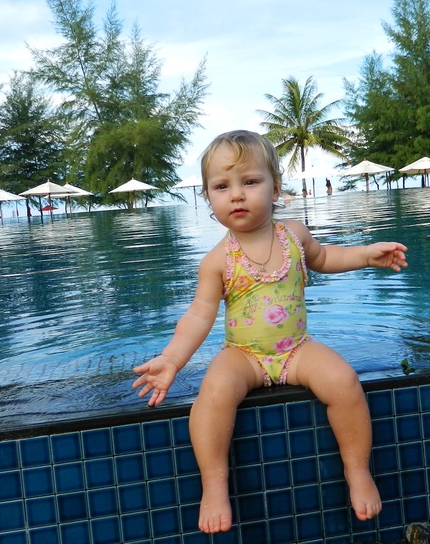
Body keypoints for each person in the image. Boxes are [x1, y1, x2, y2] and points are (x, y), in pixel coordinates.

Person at [133, 130, 408, 534]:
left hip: (297, 349)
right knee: (213, 395)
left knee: (344, 381)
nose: (237, 195)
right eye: (222, 187)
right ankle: (214, 485)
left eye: (250, 181)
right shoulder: (216, 261)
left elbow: (326, 257)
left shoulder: (294, 235)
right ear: (208, 198)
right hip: (243, 355)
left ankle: (357, 470)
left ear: (275, 187)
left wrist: (366, 255)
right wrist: (172, 359)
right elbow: (198, 316)